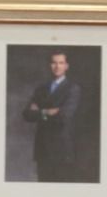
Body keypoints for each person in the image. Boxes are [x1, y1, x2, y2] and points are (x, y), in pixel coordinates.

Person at [21, 50, 82, 181]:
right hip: (42, 148)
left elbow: (64, 117)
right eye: (54, 63)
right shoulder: (41, 89)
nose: (57, 66)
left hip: (62, 149)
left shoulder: (72, 89)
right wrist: (46, 112)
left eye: (61, 63)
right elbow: (27, 114)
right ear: (49, 65)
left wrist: (39, 112)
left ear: (66, 66)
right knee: (43, 186)